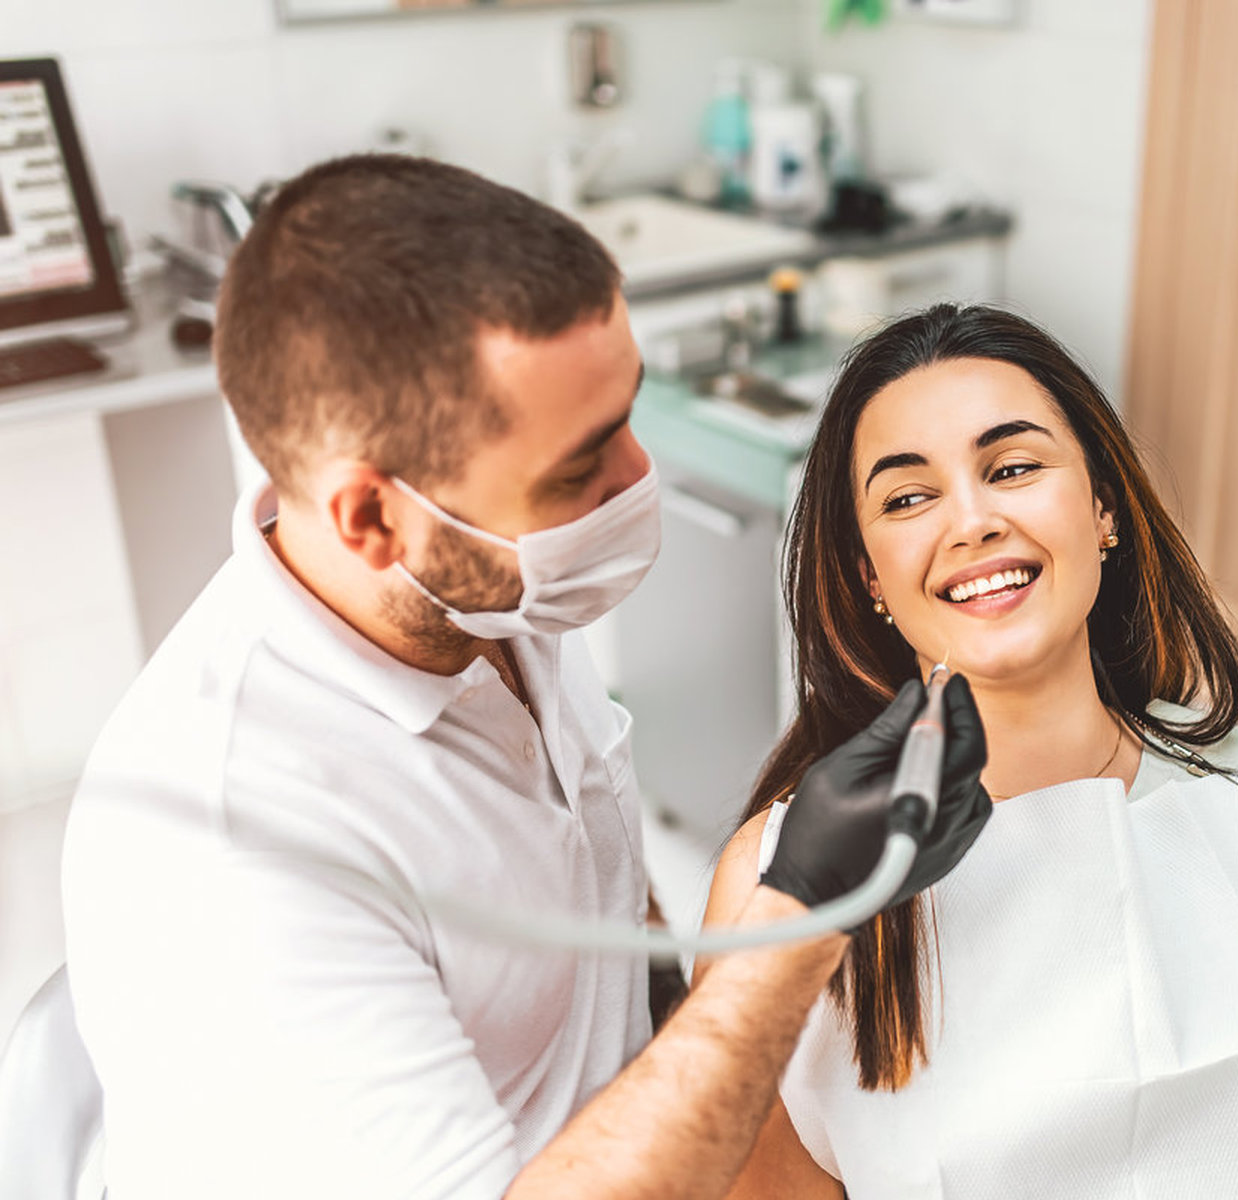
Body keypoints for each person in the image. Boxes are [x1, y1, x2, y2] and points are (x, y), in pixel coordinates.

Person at [58, 156, 990, 1200]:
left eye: (626, 415)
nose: (637, 477)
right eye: (576, 468)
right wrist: (797, 928)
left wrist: (691, 1032)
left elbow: (593, 869)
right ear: (372, 517)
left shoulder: (487, 595)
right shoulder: (239, 842)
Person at [703, 304, 1238, 1199]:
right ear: (871, 581)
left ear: (1102, 510)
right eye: (908, 497)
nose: (971, 522)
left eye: (1012, 467)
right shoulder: (782, 888)